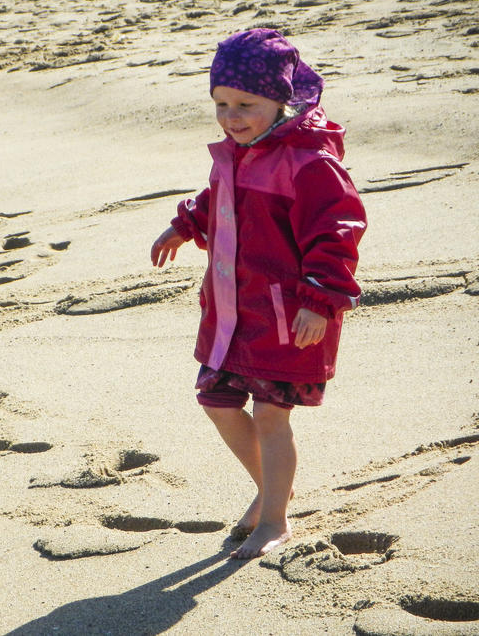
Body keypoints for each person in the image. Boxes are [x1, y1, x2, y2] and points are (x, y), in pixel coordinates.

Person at [150, 29, 366, 559]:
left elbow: (338, 227)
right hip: (231, 311)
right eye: (221, 104)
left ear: (282, 100)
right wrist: (186, 225)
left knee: (272, 414)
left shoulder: (309, 161)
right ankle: (274, 488)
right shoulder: (233, 153)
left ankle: (274, 519)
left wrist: (320, 300)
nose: (231, 116)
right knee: (216, 400)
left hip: (289, 315)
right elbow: (216, 197)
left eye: (245, 104)